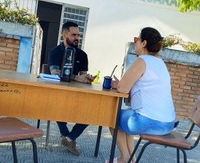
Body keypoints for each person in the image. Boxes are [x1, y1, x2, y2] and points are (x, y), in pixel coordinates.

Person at [105, 27, 176, 163]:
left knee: (112, 116)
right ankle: (132, 159)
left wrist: (117, 85)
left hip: (151, 123)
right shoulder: (160, 62)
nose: (135, 42)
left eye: (136, 39)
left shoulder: (142, 60)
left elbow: (122, 88)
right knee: (127, 115)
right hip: (168, 123)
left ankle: (124, 158)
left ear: (144, 43)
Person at [48, 21, 95, 156]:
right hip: (59, 94)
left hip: (78, 95)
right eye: (73, 35)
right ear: (64, 35)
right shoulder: (55, 52)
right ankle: (68, 138)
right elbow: (55, 73)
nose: (77, 38)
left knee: (93, 113)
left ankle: (69, 138)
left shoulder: (82, 54)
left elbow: (83, 75)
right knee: (56, 107)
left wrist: (87, 78)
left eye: (78, 35)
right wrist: (76, 78)